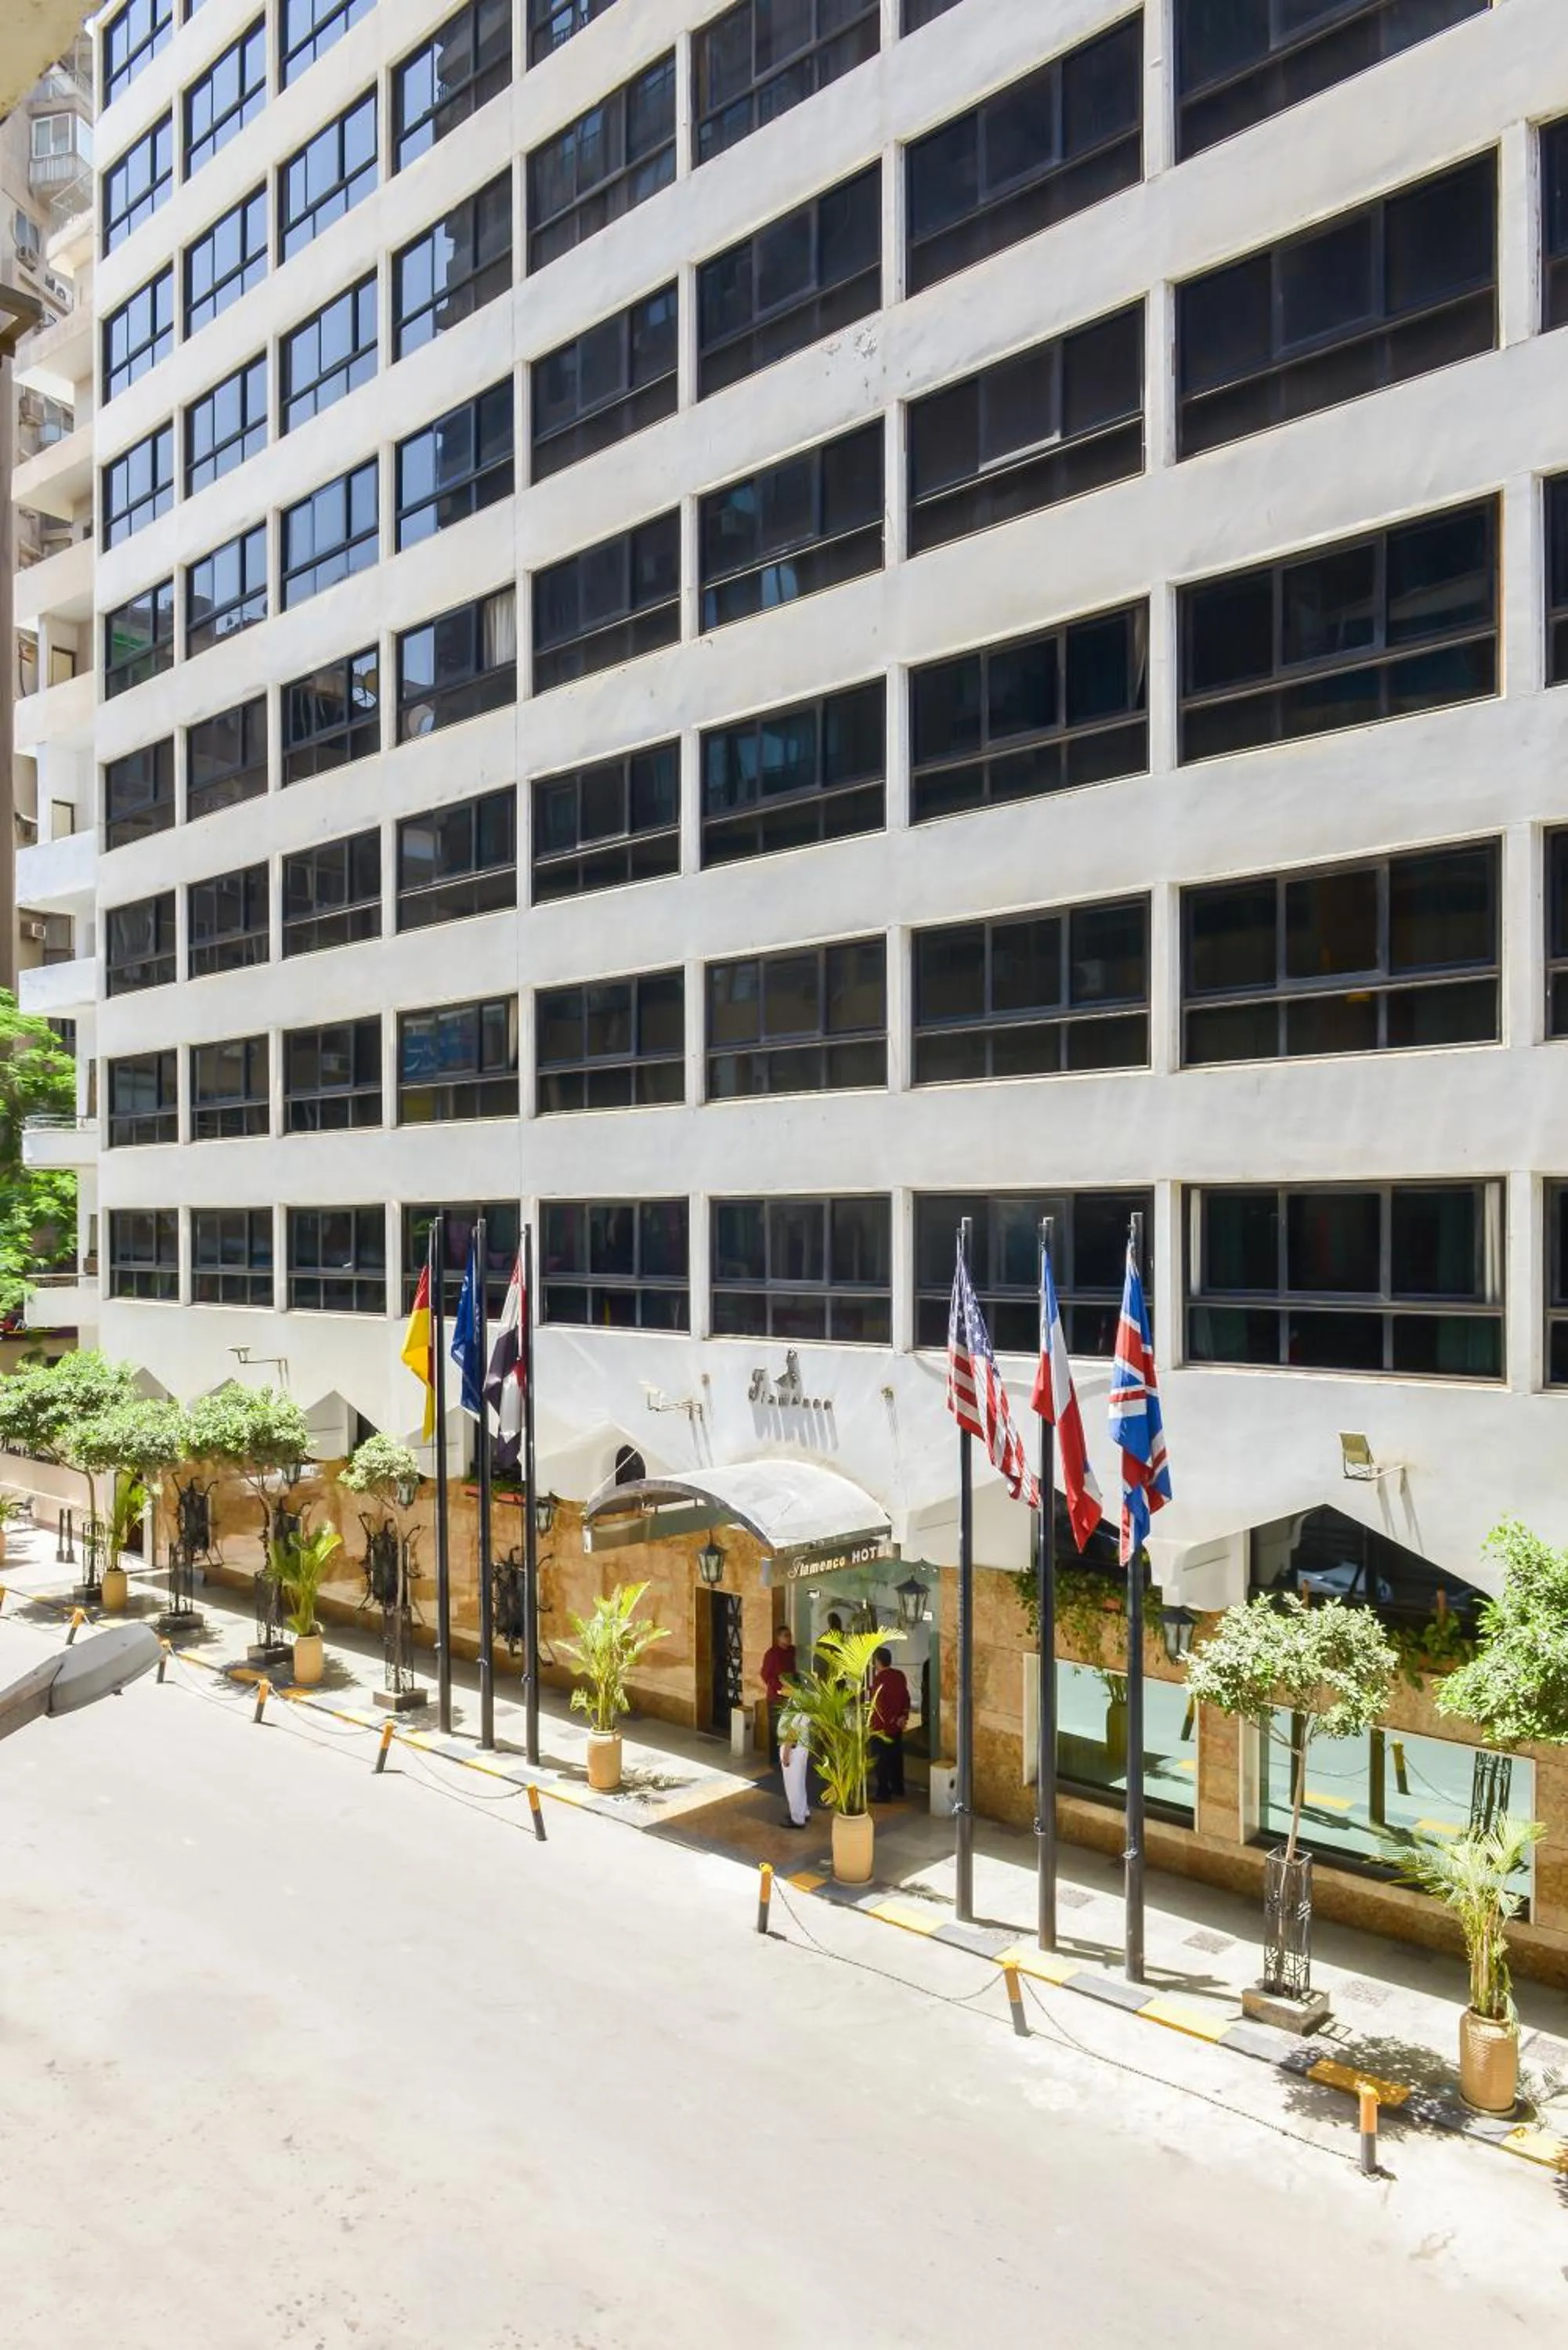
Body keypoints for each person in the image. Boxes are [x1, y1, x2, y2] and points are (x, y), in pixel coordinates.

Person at [869, 1646, 912, 1803]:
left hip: (881, 1728)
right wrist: (903, 1716)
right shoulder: (899, 1675)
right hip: (897, 1726)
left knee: (881, 1761)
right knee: (896, 1758)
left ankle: (883, 1793)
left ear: (878, 1661)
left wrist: (890, 1719)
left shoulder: (879, 1679)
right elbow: (905, 1697)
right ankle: (898, 1787)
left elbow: (880, 1705)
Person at [760, 1623, 795, 1763]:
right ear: (778, 1638)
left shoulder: (793, 1651)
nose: (789, 1638)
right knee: (776, 1728)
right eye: (786, 1636)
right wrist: (777, 1688)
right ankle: (775, 1760)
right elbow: (765, 1675)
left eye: (790, 1635)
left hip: (791, 1695)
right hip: (776, 1697)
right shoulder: (772, 1654)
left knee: (789, 1728)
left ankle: (788, 1757)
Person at [778, 1697, 811, 1830]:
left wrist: (786, 1750)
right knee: (799, 1782)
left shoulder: (799, 1701)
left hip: (793, 1748)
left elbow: (794, 1728)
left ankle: (797, 1819)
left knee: (793, 1784)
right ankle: (804, 1812)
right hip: (801, 1747)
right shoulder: (806, 1699)